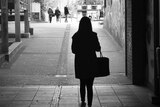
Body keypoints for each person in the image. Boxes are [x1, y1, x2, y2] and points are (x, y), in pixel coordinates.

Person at [71, 17, 101, 107]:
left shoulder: (76, 36)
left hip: (80, 62)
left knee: (82, 83)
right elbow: (98, 49)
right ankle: (90, 104)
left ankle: (83, 101)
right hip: (91, 62)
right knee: (90, 85)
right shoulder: (93, 35)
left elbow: (73, 50)